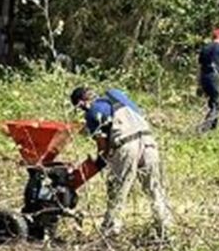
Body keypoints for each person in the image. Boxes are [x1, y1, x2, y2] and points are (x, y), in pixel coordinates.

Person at [70, 86, 171, 238]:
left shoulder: (92, 112)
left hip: (126, 146)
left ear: (81, 103)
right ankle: (165, 228)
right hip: (149, 142)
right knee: (154, 189)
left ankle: (110, 230)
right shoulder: (118, 96)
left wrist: (99, 161)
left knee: (116, 190)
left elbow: (102, 146)